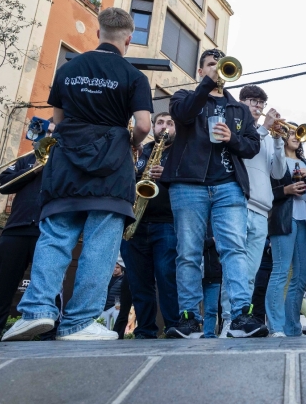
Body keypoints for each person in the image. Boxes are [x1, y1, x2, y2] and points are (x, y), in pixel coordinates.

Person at [3, 8, 153, 342]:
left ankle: (36, 312)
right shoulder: (134, 77)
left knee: (56, 234)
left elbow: (58, 118)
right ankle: (78, 323)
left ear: (99, 32)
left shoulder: (69, 68)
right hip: (111, 165)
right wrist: (130, 142)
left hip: (67, 160)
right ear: (128, 38)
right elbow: (143, 124)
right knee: (100, 240)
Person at [161, 48, 266, 338]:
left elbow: (252, 146)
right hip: (187, 184)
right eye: (210, 65)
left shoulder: (239, 109)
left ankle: (241, 318)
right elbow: (182, 115)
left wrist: (233, 138)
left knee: (234, 249)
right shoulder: (184, 96)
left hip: (228, 186)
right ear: (200, 71)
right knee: (188, 252)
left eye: (221, 65)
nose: (216, 69)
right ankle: (189, 319)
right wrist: (206, 84)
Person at [219, 85, 286, 336]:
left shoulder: (267, 136)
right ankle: (229, 320)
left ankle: (239, 320)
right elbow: (244, 152)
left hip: (262, 209)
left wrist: (278, 141)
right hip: (237, 204)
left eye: (261, 103)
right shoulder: (238, 129)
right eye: (252, 102)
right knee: (235, 270)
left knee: (250, 272)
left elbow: (278, 173)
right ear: (241, 103)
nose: (258, 107)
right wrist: (265, 129)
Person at [0, 120, 57, 341]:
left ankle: (49, 334)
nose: (47, 137)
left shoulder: (61, 163)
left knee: (48, 283)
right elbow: (3, 184)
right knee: (2, 284)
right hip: (16, 229)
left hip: (47, 230)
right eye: (45, 132)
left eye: (52, 133)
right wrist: (34, 168)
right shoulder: (25, 160)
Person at [118, 112, 179, 339]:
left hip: (166, 224)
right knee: (139, 282)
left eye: (170, 124)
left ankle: (174, 326)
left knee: (166, 278)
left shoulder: (181, 152)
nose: (165, 127)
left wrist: (168, 175)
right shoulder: (141, 150)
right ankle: (145, 330)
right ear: (153, 126)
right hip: (136, 224)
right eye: (160, 123)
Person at [266, 124, 306, 337]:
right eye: (291, 133)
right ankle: (276, 327)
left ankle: (293, 327)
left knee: (302, 277)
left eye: (298, 133)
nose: (296, 136)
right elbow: (264, 191)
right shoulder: (273, 159)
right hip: (284, 220)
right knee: (280, 271)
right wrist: (285, 190)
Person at [100, 263, 125, 329]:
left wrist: (122, 304)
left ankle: (118, 336)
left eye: (117, 267)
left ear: (121, 268)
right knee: (104, 329)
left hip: (116, 307)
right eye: (113, 267)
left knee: (117, 322)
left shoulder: (124, 279)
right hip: (105, 307)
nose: (115, 269)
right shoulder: (107, 278)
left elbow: (127, 294)